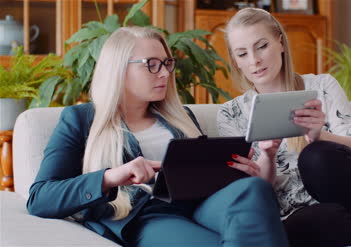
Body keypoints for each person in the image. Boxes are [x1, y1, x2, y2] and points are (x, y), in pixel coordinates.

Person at [26, 26, 289, 247]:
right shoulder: (80, 120)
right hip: (148, 214)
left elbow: (205, 174)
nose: (164, 73)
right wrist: (111, 177)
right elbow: (40, 198)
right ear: (119, 69)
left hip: (200, 203)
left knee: (253, 188)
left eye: (166, 63)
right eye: (151, 65)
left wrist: (236, 172)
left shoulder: (181, 115)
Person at [217, 8, 351, 247]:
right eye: (242, 53)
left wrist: (319, 135)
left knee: (315, 155)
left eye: (261, 46)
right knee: (315, 225)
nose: (254, 60)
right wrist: (267, 155)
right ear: (235, 60)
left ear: (280, 42)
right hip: (305, 214)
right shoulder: (230, 114)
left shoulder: (323, 86)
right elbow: (257, 194)